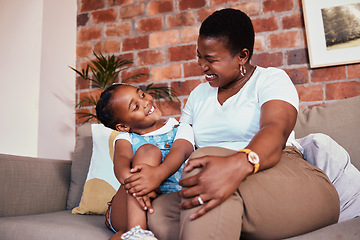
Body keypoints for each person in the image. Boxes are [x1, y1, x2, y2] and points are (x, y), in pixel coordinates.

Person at [124, 8, 340, 239]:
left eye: (211, 59)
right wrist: (158, 174)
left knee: (202, 166)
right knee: (158, 210)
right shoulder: (197, 95)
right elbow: (183, 144)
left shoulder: (270, 79)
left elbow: (275, 129)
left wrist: (239, 162)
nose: (202, 65)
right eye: (199, 56)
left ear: (242, 56)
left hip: (282, 173)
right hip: (226, 183)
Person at [95, 84, 194, 240]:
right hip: (126, 209)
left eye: (141, 95)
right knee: (149, 151)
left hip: (165, 207)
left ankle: (129, 235)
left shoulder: (181, 128)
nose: (146, 102)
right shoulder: (125, 139)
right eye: (135, 107)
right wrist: (140, 186)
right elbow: (121, 165)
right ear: (123, 126)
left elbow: (180, 152)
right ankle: (137, 231)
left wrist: (155, 177)